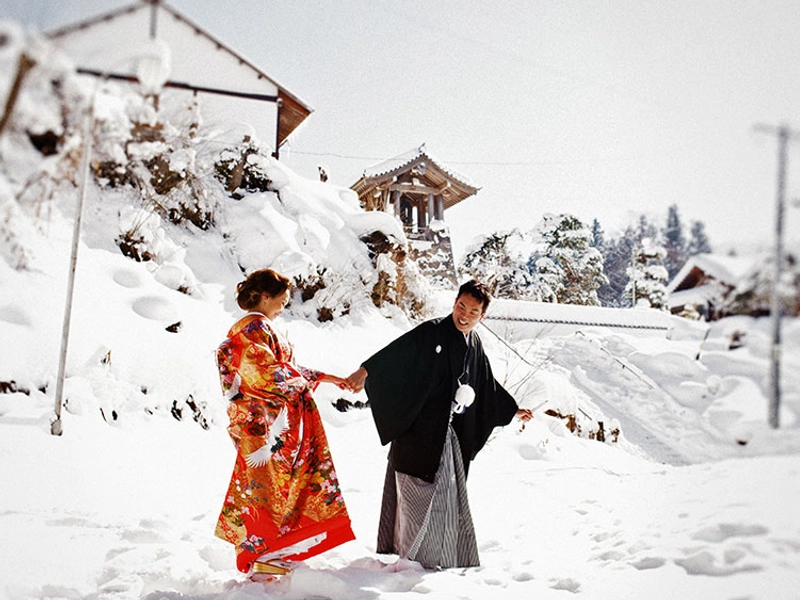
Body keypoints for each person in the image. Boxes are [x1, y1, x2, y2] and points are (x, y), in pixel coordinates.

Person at [346, 279, 532, 570]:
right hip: (418, 433)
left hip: (450, 438)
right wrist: (365, 371)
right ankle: (411, 561)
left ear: (482, 316)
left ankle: (431, 558)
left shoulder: (475, 344)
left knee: (444, 498)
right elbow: (397, 354)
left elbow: (485, 386)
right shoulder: (431, 331)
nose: (464, 315)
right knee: (414, 495)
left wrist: (512, 410)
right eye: (461, 306)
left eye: (473, 311)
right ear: (454, 302)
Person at [215, 268, 355, 580]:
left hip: (278, 420)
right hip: (265, 425)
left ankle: (277, 550)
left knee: (287, 483)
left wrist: (323, 377)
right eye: (281, 299)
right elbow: (264, 372)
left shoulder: (261, 329)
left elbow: (281, 369)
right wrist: (303, 383)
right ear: (265, 296)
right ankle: (263, 553)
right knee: (266, 488)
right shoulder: (250, 331)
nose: (284, 305)